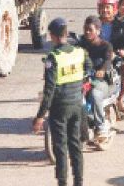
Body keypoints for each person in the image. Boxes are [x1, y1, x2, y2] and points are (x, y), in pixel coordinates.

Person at [32, 18, 91, 186]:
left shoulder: (53, 57)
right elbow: (89, 68)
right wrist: (81, 84)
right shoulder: (80, 52)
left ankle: (63, 183)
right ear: (66, 34)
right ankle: (79, 182)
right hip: (77, 105)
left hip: (60, 107)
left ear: (53, 36)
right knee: (76, 146)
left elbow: (49, 90)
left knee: (60, 149)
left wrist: (40, 116)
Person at [76, 16, 116, 139]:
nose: (87, 32)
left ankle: (101, 126)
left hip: (101, 82)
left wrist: (102, 70)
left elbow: (108, 60)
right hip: (84, 79)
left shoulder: (105, 46)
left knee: (95, 94)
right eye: (85, 29)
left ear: (98, 31)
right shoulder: (81, 44)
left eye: (90, 29)